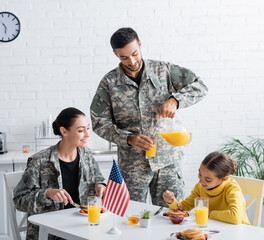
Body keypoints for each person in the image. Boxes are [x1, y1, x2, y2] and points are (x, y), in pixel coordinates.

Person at [90, 27, 208, 206]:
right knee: (129, 218)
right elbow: (98, 122)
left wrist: (175, 100)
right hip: (132, 166)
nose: (132, 61)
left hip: (167, 161)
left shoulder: (164, 71)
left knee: (171, 215)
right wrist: (128, 138)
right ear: (115, 54)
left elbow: (200, 86)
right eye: (124, 57)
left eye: (135, 54)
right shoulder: (109, 83)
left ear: (139, 44)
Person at [13, 107, 106, 240]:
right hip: (50, 233)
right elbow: (19, 200)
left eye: (88, 128)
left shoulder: (87, 155)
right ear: (64, 131)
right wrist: (47, 194)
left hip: (82, 228)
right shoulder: (40, 161)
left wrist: (100, 185)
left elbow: (98, 179)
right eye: (81, 130)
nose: (87, 134)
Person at [163, 151, 249, 225]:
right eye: (200, 174)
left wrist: (208, 213)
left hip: (239, 231)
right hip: (216, 228)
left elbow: (235, 217)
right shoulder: (200, 187)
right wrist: (172, 201)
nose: (201, 181)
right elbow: (183, 208)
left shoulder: (232, 188)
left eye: (208, 180)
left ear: (224, 178)